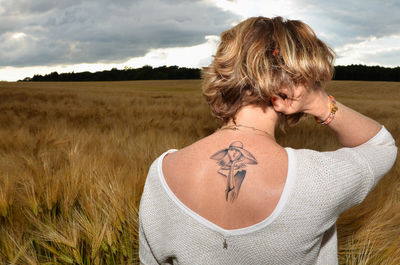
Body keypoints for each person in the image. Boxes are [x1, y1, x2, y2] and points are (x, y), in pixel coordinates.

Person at [138, 16, 397, 265]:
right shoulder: (317, 179)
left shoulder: (160, 175)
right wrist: (319, 102)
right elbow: (381, 146)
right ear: (301, 82)